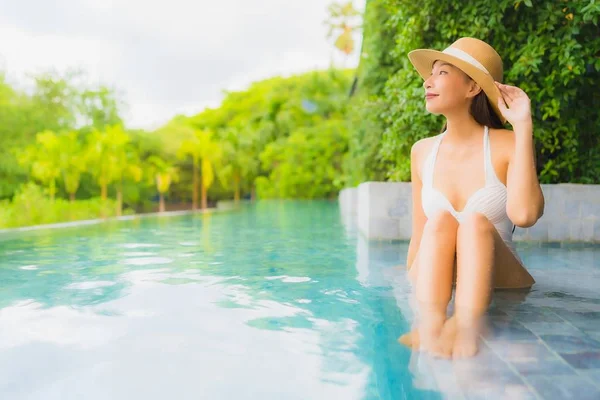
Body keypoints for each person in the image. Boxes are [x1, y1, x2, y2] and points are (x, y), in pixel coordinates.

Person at [397, 37, 544, 358]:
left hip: (500, 276)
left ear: (473, 88)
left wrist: (523, 125)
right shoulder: (421, 151)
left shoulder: (507, 143)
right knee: (439, 222)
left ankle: (466, 325)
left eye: (443, 73)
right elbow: (420, 234)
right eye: (430, 73)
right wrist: (407, 292)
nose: (428, 81)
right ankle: (431, 323)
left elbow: (525, 215)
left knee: (475, 223)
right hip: (437, 276)